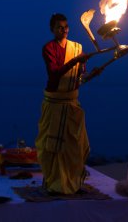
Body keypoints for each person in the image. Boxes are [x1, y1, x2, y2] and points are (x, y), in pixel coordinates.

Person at [35, 13, 90, 195]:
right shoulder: (48, 48)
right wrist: (74, 61)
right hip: (54, 102)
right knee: (52, 146)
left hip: (72, 102)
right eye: (60, 27)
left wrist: (87, 69)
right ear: (52, 29)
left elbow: (79, 76)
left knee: (74, 146)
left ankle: (72, 182)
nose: (64, 30)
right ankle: (54, 183)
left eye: (66, 26)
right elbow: (54, 73)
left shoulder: (76, 47)